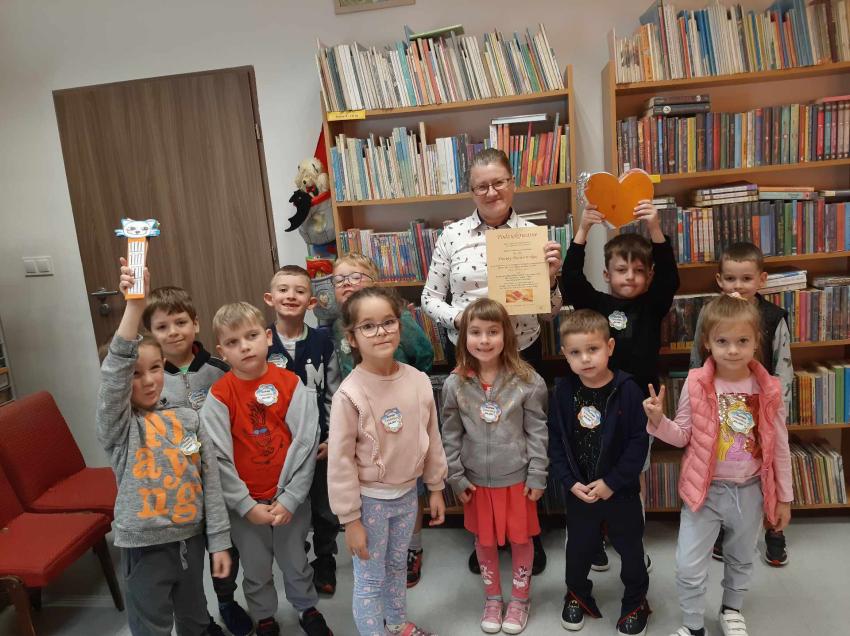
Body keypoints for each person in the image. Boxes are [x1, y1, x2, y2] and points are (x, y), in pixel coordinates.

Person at [421, 147, 563, 573]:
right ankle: (484, 532)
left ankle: (526, 533)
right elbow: (429, 298)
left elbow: (550, 312)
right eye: (481, 186)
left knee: (521, 437)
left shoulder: (532, 236)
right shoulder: (452, 235)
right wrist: (462, 320)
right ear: (471, 191)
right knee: (477, 436)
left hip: (521, 351)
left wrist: (551, 280)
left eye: (498, 182)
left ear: (512, 183)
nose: (491, 191)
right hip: (471, 353)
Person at [643, 294, 793, 636]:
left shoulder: (768, 388)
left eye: (742, 341)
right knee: (688, 564)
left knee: (741, 557)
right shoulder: (696, 382)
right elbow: (682, 435)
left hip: (751, 491)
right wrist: (658, 420)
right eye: (722, 341)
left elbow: (780, 446)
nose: (733, 350)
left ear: (757, 342)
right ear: (707, 343)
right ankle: (694, 624)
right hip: (705, 491)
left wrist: (784, 497)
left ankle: (732, 609)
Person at [97, 259, 232, 636]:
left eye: (155, 368)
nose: (148, 381)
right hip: (145, 546)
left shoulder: (189, 419)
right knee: (151, 626)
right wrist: (135, 306)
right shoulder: (120, 426)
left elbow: (210, 483)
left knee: (196, 618)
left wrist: (219, 541)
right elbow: (115, 371)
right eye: (135, 374)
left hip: (190, 540)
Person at [562, 198, 680, 571]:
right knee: (592, 468)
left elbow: (670, 277)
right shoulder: (596, 305)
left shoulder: (652, 305)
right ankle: (595, 537)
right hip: (596, 405)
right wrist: (583, 229)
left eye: (638, 271)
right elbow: (570, 280)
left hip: (639, 408)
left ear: (649, 275)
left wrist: (655, 228)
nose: (630, 276)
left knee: (630, 475)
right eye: (621, 269)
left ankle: (630, 538)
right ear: (607, 273)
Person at [201, 302, 333, 636]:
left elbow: (306, 443)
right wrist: (245, 505)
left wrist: (290, 498)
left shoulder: (291, 384)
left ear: (268, 337)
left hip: (289, 500)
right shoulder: (219, 395)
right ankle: (264, 616)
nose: (244, 346)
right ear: (222, 351)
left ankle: (306, 608)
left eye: (251, 336)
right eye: (233, 342)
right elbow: (217, 458)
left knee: (296, 560)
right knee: (256, 568)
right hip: (245, 507)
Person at [327, 287, 448, 636]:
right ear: (352, 337)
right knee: (369, 578)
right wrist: (350, 520)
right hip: (370, 503)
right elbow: (340, 463)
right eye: (368, 326)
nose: (380, 332)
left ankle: (396, 624)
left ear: (400, 325)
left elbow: (432, 437)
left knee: (397, 566)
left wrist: (435, 487)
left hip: (407, 496)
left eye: (388, 322)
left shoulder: (419, 381)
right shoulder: (350, 393)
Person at [142, 286, 249, 636]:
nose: (173, 332)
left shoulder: (221, 369)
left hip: (222, 477)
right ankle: (199, 617)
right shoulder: (153, 378)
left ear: (196, 324)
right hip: (179, 484)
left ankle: (227, 600)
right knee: (187, 558)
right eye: (162, 327)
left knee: (225, 546)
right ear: (151, 334)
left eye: (180, 322)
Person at [441, 298, 549, 634]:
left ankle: (519, 600)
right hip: (476, 483)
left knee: (521, 540)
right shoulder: (455, 384)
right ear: (464, 338)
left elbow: (537, 432)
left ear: (507, 336)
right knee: (484, 543)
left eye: (492, 332)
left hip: (517, 480)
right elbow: (450, 434)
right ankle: (493, 598)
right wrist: (456, 477)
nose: (484, 340)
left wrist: (537, 474)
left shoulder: (528, 380)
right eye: (475, 332)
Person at [330, 252, 434, 587]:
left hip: (400, 421)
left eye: (355, 277)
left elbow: (424, 354)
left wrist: (405, 387)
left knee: (410, 488)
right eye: (340, 279)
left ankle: (411, 548)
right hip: (363, 420)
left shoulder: (399, 322)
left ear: (374, 283)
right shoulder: (337, 327)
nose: (347, 284)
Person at [688, 242, 793, 566]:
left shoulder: (773, 317)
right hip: (720, 405)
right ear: (720, 280)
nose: (738, 285)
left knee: (767, 467)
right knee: (726, 465)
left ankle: (774, 529)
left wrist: (779, 408)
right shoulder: (710, 314)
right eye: (731, 278)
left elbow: (784, 364)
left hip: (762, 407)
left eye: (746, 278)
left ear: (761, 279)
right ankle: (724, 528)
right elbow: (697, 358)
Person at [548, 309, 651, 636]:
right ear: (565, 355)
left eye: (592, 349)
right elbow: (555, 441)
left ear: (609, 347)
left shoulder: (629, 390)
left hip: (621, 492)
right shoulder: (563, 392)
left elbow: (638, 443)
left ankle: (636, 601)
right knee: (578, 549)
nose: (585, 359)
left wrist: (612, 482)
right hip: (580, 492)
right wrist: (570, 483)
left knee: (631, 550)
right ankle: (577, 593)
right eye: (575, 352)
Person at [263, 265, 342, 595]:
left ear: (311, 302)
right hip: (278, 448)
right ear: (270, 298)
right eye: (283, 289)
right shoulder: (261, 342)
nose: (290, 296)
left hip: (319, 444)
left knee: (324, 507)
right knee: (289, 507)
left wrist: (333, 438)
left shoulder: (323, 342)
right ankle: (297, 557)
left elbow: (334, 393)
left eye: (299, 290)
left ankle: (325, 558)